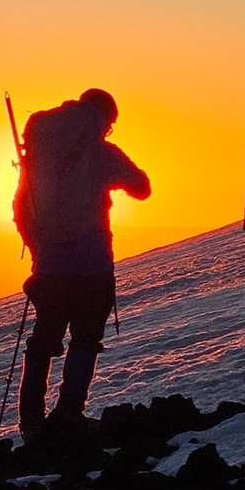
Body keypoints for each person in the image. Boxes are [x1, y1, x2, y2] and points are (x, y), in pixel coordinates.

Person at [13, 88, 151, 440]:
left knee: (44, 338)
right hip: (92, 263)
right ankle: (69, 412)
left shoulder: (38, 150)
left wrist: (40, 248)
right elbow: (142, 187)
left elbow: (19, 208)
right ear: (104, 118)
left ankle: (30, 420)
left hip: (50, 266)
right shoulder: (100, 149)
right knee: (85, 338)